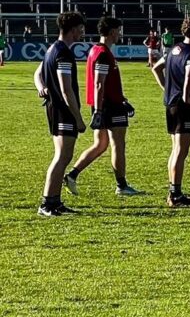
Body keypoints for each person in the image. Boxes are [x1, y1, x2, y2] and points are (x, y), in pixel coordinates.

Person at [63, 15, 140, 198]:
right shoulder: (103, 53)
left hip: (104, 104)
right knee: (118, 144)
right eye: (119, 31)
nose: (120, 34)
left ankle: (72, 175)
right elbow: (99, 84)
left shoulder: (95, 50)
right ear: (113, 31)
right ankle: (121, 185)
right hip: (108, 106)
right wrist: (99, 110)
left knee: (100, 144)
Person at [34, 11, 87, 216]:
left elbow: (38, 73)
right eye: (80, 29)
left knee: (62, 156)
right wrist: (78, 118)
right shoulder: (63, 52)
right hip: (63, 111)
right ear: (73, 29)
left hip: (54, 109)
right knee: (62, 157)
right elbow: (66, 89)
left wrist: (42, 87)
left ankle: (54, 202)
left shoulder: (51, 49)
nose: (82, 33)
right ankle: (47, 204)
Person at [151, 16, 190, 207]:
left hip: (170, 104)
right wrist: (185, 96)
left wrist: (167, 88)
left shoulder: (174, 50)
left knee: (175, 150)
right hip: (184, 107)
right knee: (181, 151)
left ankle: (173, 191)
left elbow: (156, 69)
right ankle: (175, 194)